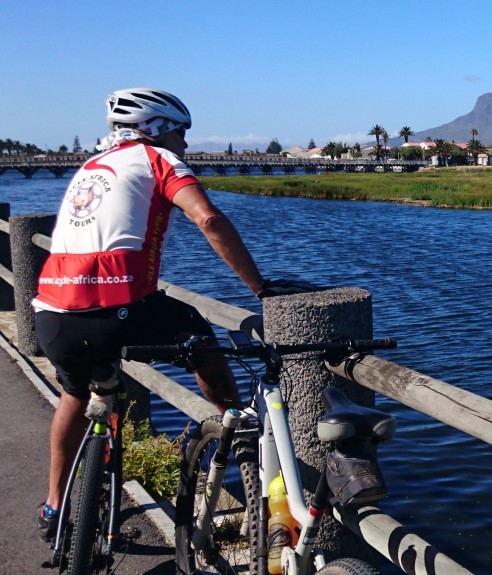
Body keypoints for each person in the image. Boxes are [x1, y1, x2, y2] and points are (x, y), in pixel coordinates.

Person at [32, 88, 303, 541]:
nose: (186, 144)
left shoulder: (91, 167)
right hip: (118, 310)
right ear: (157, 129)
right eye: (182, 132)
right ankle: (236, 429)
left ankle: (54, 506)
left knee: (75, 396)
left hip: (53, 311)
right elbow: (209, 220)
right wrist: (260, 287)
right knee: (203, 339)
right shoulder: (158, 159)